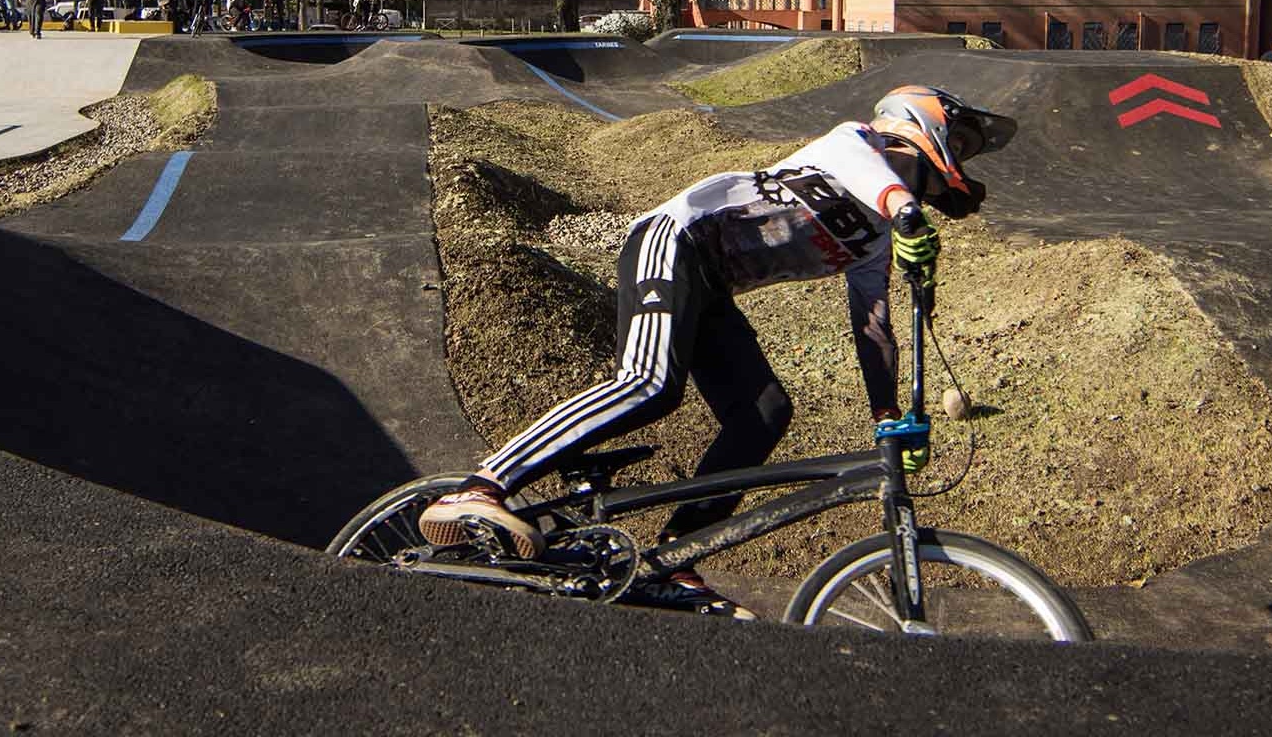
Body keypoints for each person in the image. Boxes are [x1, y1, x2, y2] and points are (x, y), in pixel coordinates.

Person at [417, 86, 1006, 618]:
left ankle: (673, 558)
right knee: (649, 382)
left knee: (765, 413)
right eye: (961, 140)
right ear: (921, 126)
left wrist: (888, 420)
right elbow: (865, 170)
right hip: (671, 241)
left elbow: (874, 326)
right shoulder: (857, 143)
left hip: (709, 284)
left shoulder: (876, 239)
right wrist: (903, 207)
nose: (962, 156)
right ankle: (482, 487)